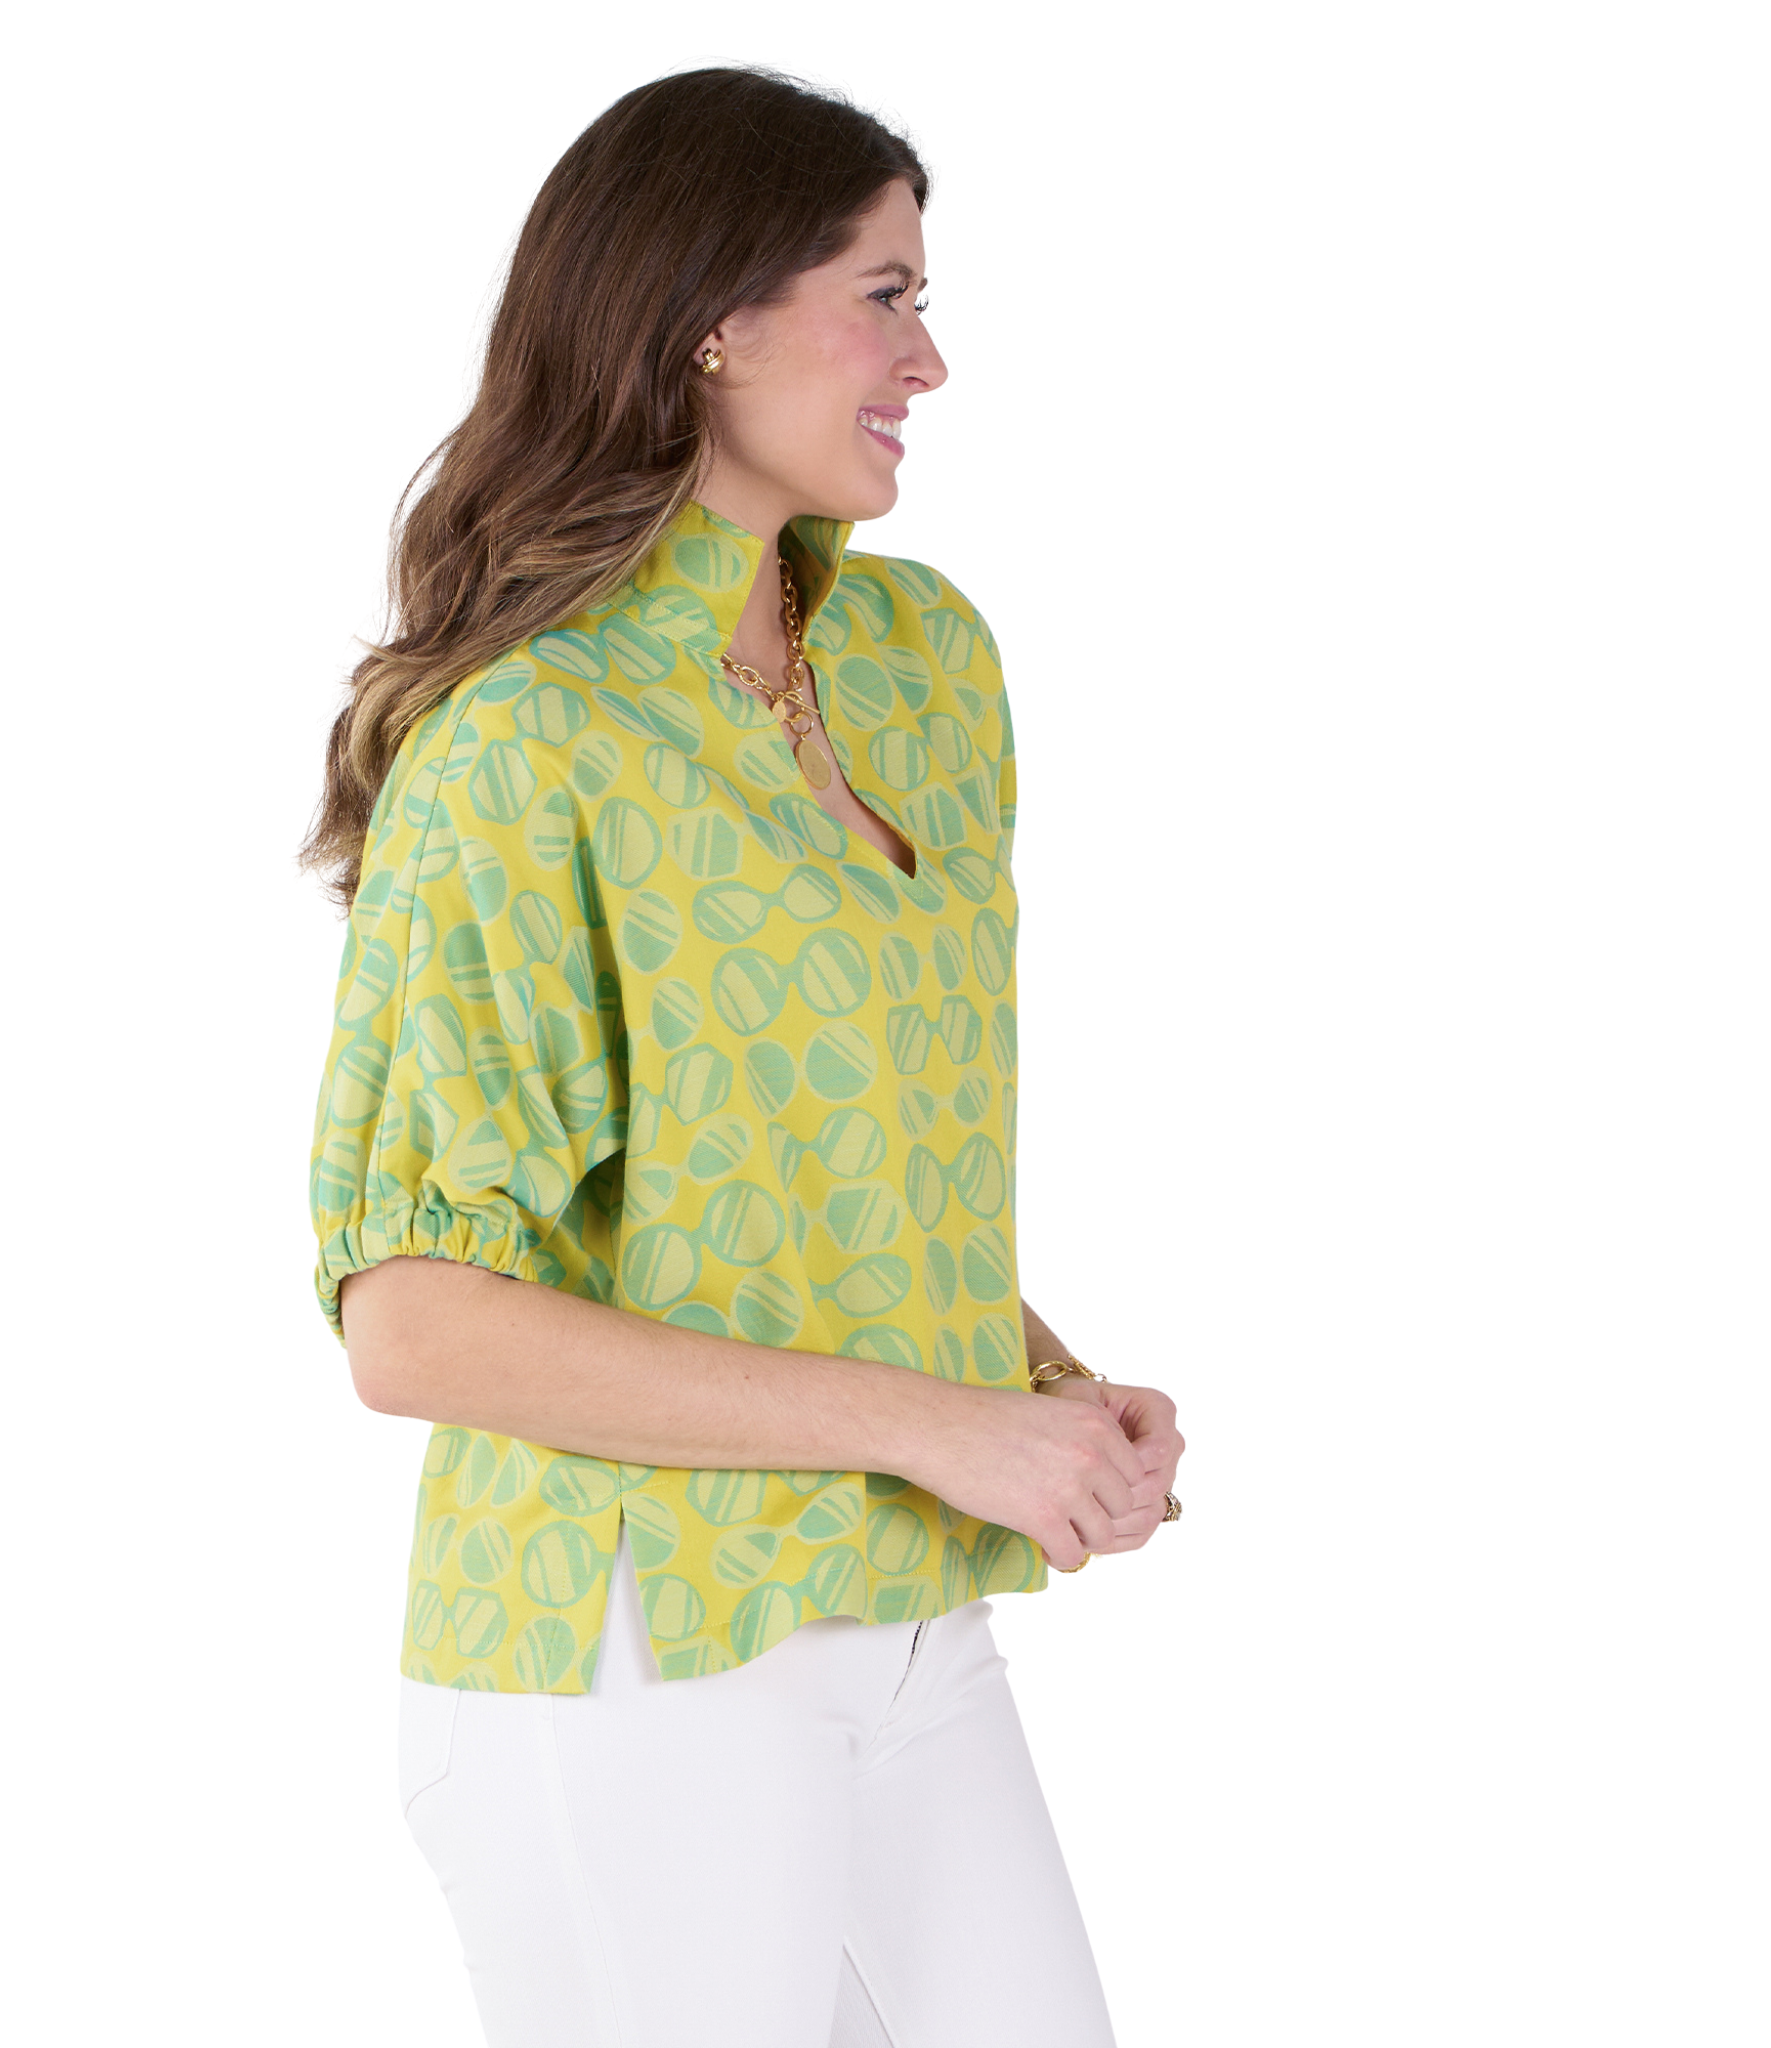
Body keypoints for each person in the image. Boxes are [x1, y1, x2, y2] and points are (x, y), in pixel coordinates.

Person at [303, 64, 1186, 2048]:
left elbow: (801, 1185)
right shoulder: (528, 744)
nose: (929, 361)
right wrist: (940, 1425)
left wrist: (1034, 1387)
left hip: (908, 1623)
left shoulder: (921, 665)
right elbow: (413, 1325)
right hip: (625, 1644)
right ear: (711, 317)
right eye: (885, 297)